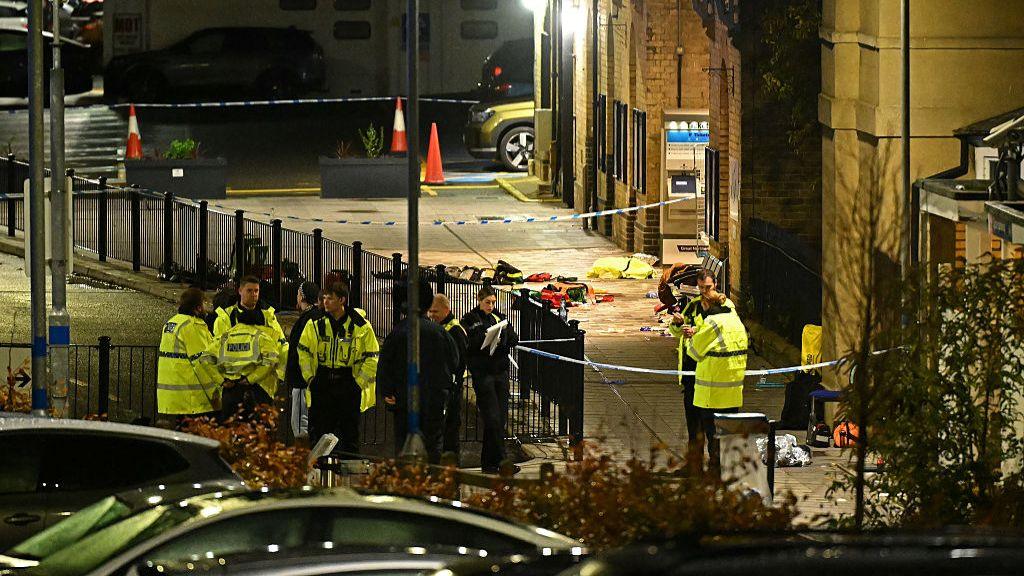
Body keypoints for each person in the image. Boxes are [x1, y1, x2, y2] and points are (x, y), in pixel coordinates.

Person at [380, 280, 459, 463]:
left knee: (405, 449)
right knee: (432, 450)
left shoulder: (397, 333)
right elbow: (454, 362)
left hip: (404, 401)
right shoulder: (439, 333)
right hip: (434, 401)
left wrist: (388, 392)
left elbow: (385, 365)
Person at [297, 281, 379, 455]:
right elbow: (303, 351)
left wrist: (358, 384)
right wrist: (311, 378)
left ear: (342, 300)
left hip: (347, 384)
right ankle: (318, 475)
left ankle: (349, 477)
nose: (325, 302)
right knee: (319, 435)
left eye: (330, 298)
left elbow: (372, 357)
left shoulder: (360, 326)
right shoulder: (316, 323)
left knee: (349, 437)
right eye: (324, 298)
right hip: (322, 383)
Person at [668, 269, 735, 466]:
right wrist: (678, 324)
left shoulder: (726, 306)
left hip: (712, 375)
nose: (705, 292)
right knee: (693, 426)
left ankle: (716, 466)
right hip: (692, 375)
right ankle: (694, 466)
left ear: (716, 286)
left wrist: (698, 331)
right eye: (701, 288)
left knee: (711, 426)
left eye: (708, 288)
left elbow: (728, 330)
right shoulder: (693, 306)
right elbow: (676, 333)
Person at [682, 290, 748, 473]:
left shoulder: (712, 323)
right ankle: (729, 472)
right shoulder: (736, 321)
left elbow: (694, 352)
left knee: (713, 435)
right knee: (728, 434)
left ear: (705, 305)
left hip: (711, 391)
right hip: (733, 389)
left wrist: (691, 337)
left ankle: (715, 472)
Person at [461, 284, 519, 474]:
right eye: (487, 302)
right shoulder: (470, 319)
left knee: (499, 419)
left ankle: (489, 463)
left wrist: (502, 336)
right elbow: (472, 344)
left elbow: (513, 337)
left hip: (500, 372)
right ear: (479, 300)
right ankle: (502, 462)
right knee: (492, 417)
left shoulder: (500, 317)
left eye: (493, 302)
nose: (491, 306)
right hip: (483, 374)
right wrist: (486, 338)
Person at [203, 307, 286, 420]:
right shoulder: (261, 337)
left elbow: (205, 359)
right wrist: (251, 378)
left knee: (230, 428)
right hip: (254, 390)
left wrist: (221, 381)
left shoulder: (225, 337)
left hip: (230, 390)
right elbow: (271, 360)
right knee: (256, 431)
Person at [156, 288, 223, 428]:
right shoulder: (192, 326)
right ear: (198, 307)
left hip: (173, 399)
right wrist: (217, 393)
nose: (207, 307)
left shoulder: (171, 324)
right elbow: (203, 363)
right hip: (194, 400)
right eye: (205, 303)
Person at [428, 293, 468, 462]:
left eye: (435, 311)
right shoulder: (443, 327)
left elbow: (458, 362)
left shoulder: (454, 330)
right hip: (444, 387)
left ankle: (451, 468)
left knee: (450, 430)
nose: (431, 315)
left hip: (451, 389)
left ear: (446, 310)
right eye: (430, 311)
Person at [286, 282, 322, 439]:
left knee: (301, 427)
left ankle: (304, 462)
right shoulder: (320, 317)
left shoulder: (306, 320)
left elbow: (298, 351)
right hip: (316, 382)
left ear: (301, 296)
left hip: (302, 382)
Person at [213, 275, 285, 343]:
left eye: (256, 291)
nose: (254, 294)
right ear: (240, 291)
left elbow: (280, 341)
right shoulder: (226, 317)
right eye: (249, 291)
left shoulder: (268, 315)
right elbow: (218, 345)